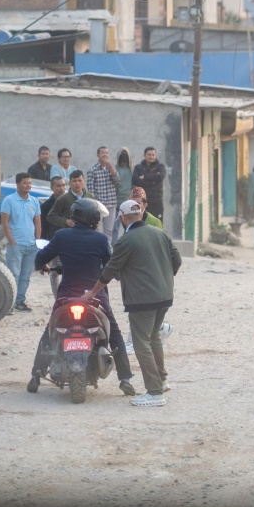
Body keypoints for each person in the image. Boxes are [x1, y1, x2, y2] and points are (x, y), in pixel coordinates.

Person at [78, 199, 182, 407]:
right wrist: (164, 278)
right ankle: (162, 380)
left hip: (142, 299)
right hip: (164, 295)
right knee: (153, 338)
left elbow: (109, 271)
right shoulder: (159, 233)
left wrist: (91, 293)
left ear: (123, 218)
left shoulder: (126, 240)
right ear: (141, 214)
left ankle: (154, 392)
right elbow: (176, 259)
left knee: (141, 343)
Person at [29, 197, 136, 397]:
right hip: (94, 297)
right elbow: (110, 266)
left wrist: (49, 266)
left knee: (50, 331)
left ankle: (36, 374)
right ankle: (125, 379)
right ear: (93, 219)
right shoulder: (100, 240)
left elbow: (39, 260)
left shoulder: (61, 236)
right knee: (114, 333)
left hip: (66, 297)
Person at [0, 172, 41, 313]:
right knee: (13, 274)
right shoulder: (9, 200)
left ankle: (20, 301)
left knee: (25, 276)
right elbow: (4, 222)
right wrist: (11, 241)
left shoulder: (34, 201)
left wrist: (37, 241)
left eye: (29, 183)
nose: (28, 185)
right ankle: (9, 304)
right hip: (16, 245)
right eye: (25, 183)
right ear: (18, 184)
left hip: (31, 245)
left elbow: (37, 222)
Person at [86, 146, 121, 238]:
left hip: (111, 203)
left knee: (109, 230)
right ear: (98, 155)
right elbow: (90, 190)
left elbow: (118, 183)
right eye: (102, 153)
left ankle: (107, 250)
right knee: (95, 228)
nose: (105, 155)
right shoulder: (92, 169)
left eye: (106, 153)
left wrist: (113, 171)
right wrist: (94, 203)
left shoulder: (112, 168)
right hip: (98, 204)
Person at [131, 146, 167, 221]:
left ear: (155, 155)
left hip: (156, 202)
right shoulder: (138, 167)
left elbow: (160, 177)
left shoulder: (160, 167)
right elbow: (135, 180)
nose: (151, 157)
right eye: (149, 155)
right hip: (143, 202)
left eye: (153, 155)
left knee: (157, 224)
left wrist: (145, 177)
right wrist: (153, 182)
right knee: (142, 223)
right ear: (144, 155)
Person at [112, 148, 133, 243]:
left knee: (128, 226)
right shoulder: (115, 169)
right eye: (122, 154)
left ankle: (126, 244)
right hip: (116, 201)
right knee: (115, 227)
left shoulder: (132, 169)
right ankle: (114, 245)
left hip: (128, 201)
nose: (124, 156)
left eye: (126, 154)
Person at [38, 175, 66, 240]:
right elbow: (42, 227)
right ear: (51, 187)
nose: (62, 188)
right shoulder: (46, 206)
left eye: (63, 185)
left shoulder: (70, 203)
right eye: (58, 186)